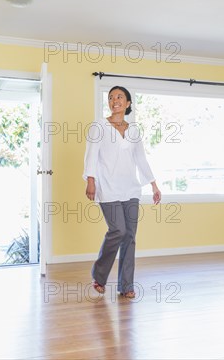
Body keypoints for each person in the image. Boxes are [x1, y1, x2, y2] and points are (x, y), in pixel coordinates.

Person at [83, 86, 161, 299]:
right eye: (110, 97)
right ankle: (99, 275)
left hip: (131, 188)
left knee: (130, 236)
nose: (114, 100)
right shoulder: (99, 125)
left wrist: (153, 184)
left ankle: (126, 285)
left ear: (127, 103)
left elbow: (140, 159)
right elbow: (91, 154)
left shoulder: (133, 130)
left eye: (119, 97)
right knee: (117, 230)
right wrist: (91, 180)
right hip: (107, 186)